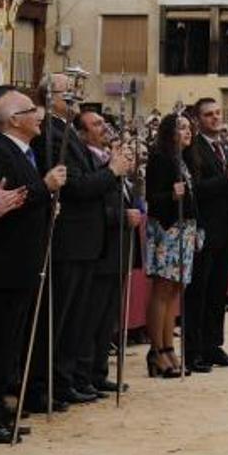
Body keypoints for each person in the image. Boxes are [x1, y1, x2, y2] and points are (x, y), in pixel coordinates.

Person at [28, 75, 130, 407]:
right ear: (48, 98)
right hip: (68, 238)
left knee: (75, 319)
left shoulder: (66, 130)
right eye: (66, 92)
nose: (75, 95)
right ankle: (45, 384)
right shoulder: (50, 133)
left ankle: (64, 378)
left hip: (87, 240)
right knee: (57, 319)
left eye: (75, 91)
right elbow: (77, 186)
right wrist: (112, 171)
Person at [0, 85, 46, 443]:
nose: (39, 113)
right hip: (1, 265)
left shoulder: (25, 152)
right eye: (32, 109)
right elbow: (3, 201)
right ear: (15, 120)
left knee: (8, 345)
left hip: (21, 263)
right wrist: (44, 189)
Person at [71, 114, 140, 395]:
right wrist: (121, 215)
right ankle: (82, 374)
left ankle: (99, 372)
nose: (105, 129)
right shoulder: (94, 163)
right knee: (92, 317)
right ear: (83, 134)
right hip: (100, 247)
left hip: (117, 251)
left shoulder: (112, 161)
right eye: (97, 125)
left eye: (104, 124)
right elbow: (94, 204)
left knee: (108, 318)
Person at [184, 98, 228, 371]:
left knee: (218, 293)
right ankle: (194, 350)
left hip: (227, 230)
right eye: (208, 115)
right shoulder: (193, 150)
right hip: (204, 230)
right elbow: (196, 189)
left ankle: (213, 345)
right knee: (199, 292)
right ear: (198, 120)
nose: (215, 118)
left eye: (218, 113)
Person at [144, 112, 202, 378]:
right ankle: (157, 351)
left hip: (186, 230)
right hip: (168, 229)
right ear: (169, 132)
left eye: (189, 128)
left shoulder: (185, 159)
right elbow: (152, 198)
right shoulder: (160, 158)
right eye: (181, 128)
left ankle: (169, 347)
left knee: (176, 290)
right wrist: (171, 194)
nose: (187, 132)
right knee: (162, 290)